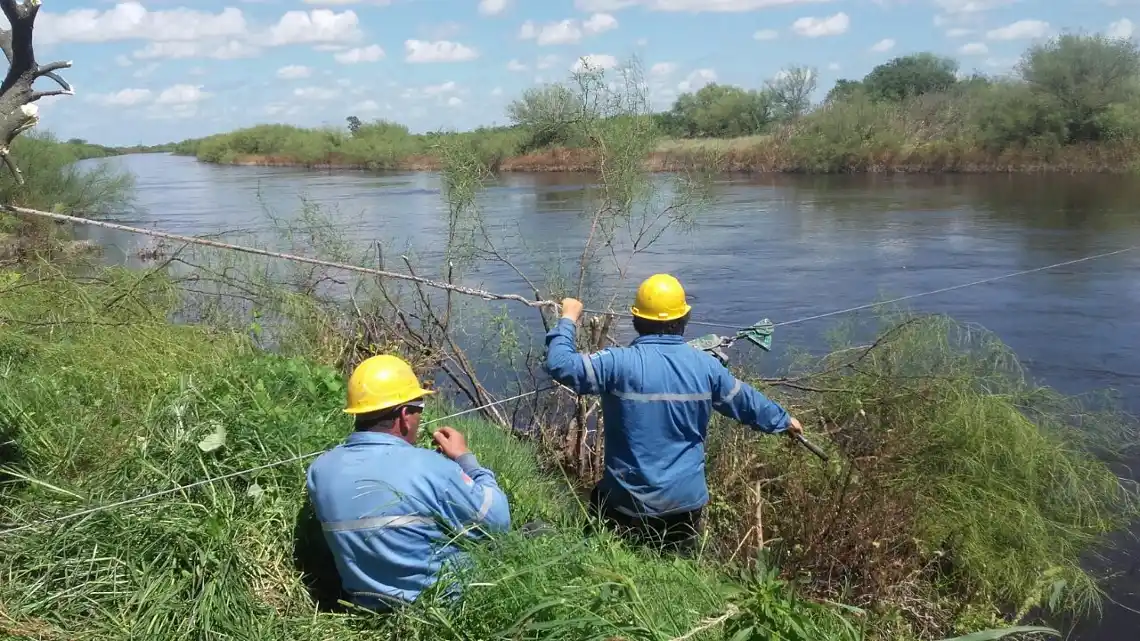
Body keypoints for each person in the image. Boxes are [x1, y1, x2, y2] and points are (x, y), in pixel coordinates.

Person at [545, 274, 803, 554]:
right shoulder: (706, 367)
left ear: (635, 320)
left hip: (629, 503)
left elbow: (561, 364)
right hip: (685, 504)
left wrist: (568, 318)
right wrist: (783, 420)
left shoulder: (617, 363)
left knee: (609, 551)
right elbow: (746, 401)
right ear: (685, 319)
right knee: (677, 570)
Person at [305, 354, 511, 612]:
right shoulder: (432, 468)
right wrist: (464, 459)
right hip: (440, 607)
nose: (420, 417)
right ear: (405, 415)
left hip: (367, 608)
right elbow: (499, 519)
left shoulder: (319, 471)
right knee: (532, 534)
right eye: (419, 408)